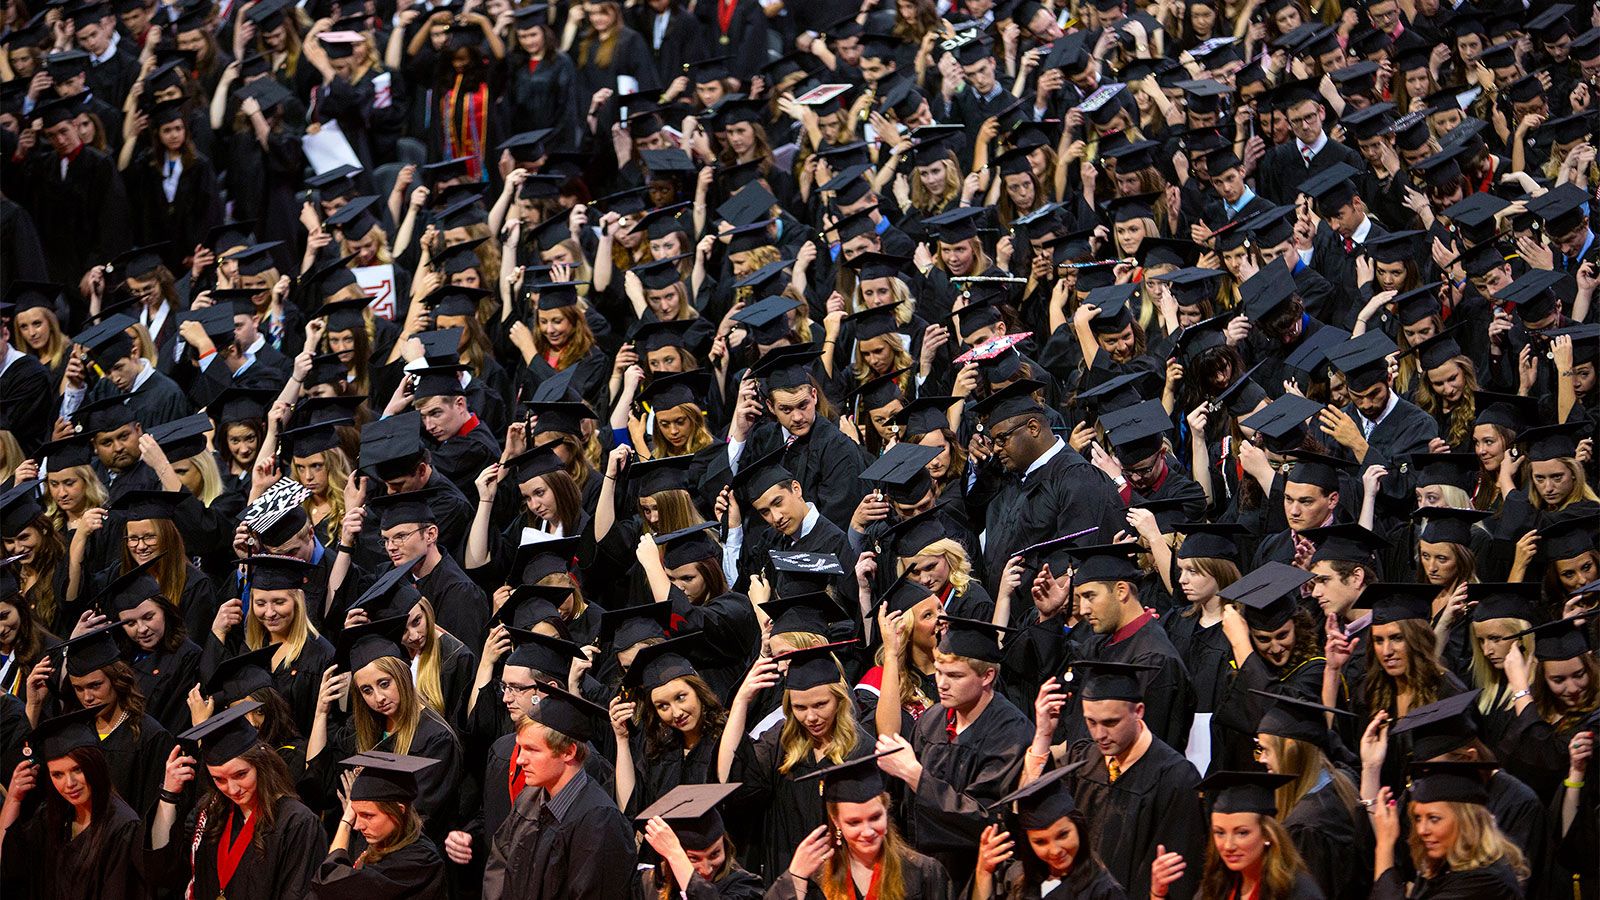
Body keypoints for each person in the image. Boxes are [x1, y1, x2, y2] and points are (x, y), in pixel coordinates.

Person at [147, 701, 325, 900]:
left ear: (261, 765)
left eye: (241, 774)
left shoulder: (296, 823)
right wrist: (168, 796)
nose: (232, 789)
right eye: (219, 779)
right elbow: (163, 870)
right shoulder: (209, 813)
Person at [482, 681, 638, 900]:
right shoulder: (528, 799)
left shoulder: (599, 821)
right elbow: (499, 869)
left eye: (532, 750)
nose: (519, 760)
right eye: (520, 747)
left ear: (568, 752)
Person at [0, 707, 149, 900]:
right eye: (57, 774)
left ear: (95, 764)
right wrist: (13, 798)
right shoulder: (52, 816)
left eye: (77, 769)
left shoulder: (122, 828)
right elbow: (9, 863)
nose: (69, 784)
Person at [773, 752, 955, 900]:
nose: (867, 832)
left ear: (886, 809)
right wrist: (796, 877)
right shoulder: (818, 877)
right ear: (836, 821)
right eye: (854, 822)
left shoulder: (924, 873)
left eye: (875, 817)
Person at [1150, 771, 1326, 899]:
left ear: (1267, 834)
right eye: (1219, 833)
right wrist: (1159, 893)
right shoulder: (1218, 885)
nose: (1228, 846)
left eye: (1242, 833)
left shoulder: (1296, 892)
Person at [1368, 763, 1527, 899]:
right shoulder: (1446, 866)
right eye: (1417, 818)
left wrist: (1384, 845)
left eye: (1434, 818)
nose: (1422, 830)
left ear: (1466, 821)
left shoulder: (1485, 881)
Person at [972, 763, 1128, 900]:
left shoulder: (1103, 891)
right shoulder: (1019, 878)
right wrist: (983, 871)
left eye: (1063, 835)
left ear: (1079, 828)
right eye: (1040, 842)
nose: (1055, 850)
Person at [309, 752, 448, 900]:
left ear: (399, 811)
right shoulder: (380, 839)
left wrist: (346, 822)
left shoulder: (419, 861)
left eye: (368, 815)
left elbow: (329, 881)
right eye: (356, 814)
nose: (358, 826)